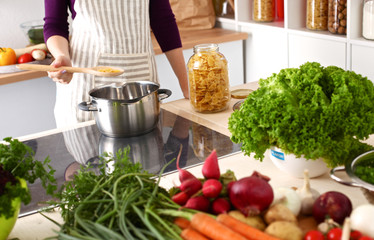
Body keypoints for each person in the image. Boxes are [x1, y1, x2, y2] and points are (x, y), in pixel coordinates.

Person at [44, 0, 189, 128]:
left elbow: (163, 20)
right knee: (90, 156)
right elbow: (55, 23)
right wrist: (61, 55)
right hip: (85, 84)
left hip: (141, 80)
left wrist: (186, 84)